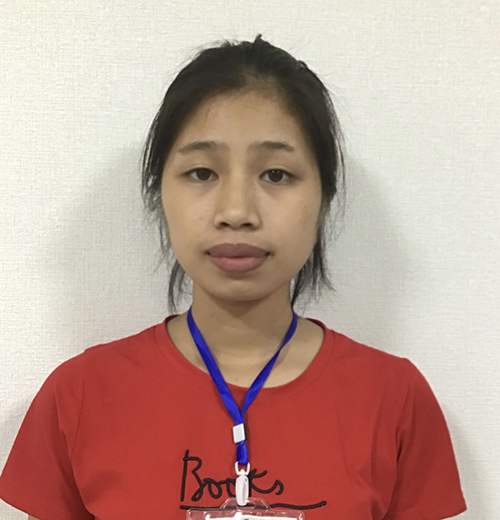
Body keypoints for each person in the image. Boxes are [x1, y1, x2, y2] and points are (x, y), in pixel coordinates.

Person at [0, 34, 467, 520]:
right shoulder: (79, 396)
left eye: (276, 174)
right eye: (202, 173)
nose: (237, 211)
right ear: (160, 194)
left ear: (324, 200)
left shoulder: (395, 400)